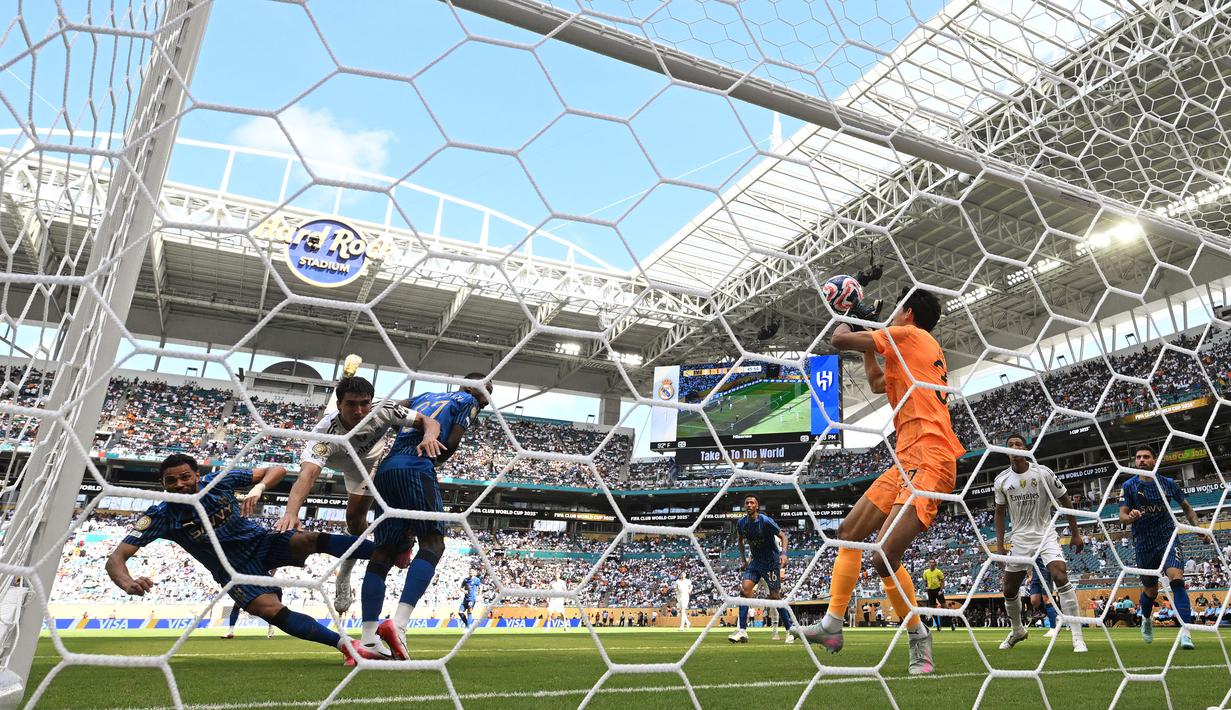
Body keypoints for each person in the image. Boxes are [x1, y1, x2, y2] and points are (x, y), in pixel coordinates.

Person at [795, 287, 964, 676]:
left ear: (906, 314)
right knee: (848, 530)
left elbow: (838, 340)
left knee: (883, 555)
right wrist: (868, 335)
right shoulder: (908, 350)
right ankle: (832, 626)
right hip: (906, 457)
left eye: (894, 313)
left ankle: (919, 636)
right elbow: (874, 382)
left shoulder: (912, 335)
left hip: (932, 458)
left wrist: (852, 314)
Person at [106, 454, 379, 664]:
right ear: (162, 484)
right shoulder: (159, 517)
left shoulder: (220, 481)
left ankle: (386, 553)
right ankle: (346, 646)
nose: (180, 485)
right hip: (233, 570)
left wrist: (259, 487)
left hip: (260, 542)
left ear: (197, 476)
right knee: (269, 610)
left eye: (185, 477)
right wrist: (128, 583)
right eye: (171, 481)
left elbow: (278, 470)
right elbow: (116, 559)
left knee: (307, 539)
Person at [275, 363, 443, 614]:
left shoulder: (383, 410)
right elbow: (307, 475)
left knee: (355, 519)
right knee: (355, 520)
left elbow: (427, 421)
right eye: (351, 404)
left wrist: (429, 436)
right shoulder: (324, 434)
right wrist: (291, 512)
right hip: (345, 462)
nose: (359, 410)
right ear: (340, 404)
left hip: (372, 463)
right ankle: (369, 559)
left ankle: (350, 569)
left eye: (364, 402)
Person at [358, 375, 491, 659]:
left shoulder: (424, 395)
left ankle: (368, 639)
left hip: (386, 470)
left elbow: (387, 410)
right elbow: (451, 442)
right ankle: (399, 624)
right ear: (469, 387)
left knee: (383, 552)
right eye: (485, 391)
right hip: (417, 465)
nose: (487, 397)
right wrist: (431, 460)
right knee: (433, 543)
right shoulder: (467, 401)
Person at [993, 434, 1086, 653]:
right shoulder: (1002, 480)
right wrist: (999, 546)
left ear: (1026, 449)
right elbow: (999, 512)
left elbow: (1065, 498)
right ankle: (1017, 630)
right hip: (1020, 539)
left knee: (1060, 576)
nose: (1014, 448)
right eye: (1010, 445)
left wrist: (1075, 533)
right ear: (1006, 451)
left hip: (1045, 533)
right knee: (1008, 589)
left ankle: (1077, 636)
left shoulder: (1043, 473)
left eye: (1018, 444)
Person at [1119, 444, 1208, 650]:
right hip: (1143, 543)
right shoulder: (1129, 486)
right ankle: (1147, 620)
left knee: (1176, 578)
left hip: (1168, 538)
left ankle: (1185, 631)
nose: (1141, 460)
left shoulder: (1167, 483)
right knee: (1150, 590)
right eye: (1138, 457)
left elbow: (1187, 508)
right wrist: (1130, 517)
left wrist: (1198, 529)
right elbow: (1122, 516)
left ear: (1155, 460)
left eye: (1146, 457)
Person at [728, 495, 793, 644]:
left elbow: (783, 536)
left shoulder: (765, 521)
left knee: (775, 598)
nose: (749, 505)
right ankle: (742, 631)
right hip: (755, 563)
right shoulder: (741, 523)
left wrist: (783, 553)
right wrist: (743, 559)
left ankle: (790, 630)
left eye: (752, 503)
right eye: (747, 503)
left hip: (771, 563)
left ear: (757, 506)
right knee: (744, 591)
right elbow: (740, 540)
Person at [922, 560, 949, 630]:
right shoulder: (925, 572)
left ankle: (951, 623)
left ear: (935, 564)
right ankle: (938, 626)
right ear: (929, 564)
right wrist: (926, 587)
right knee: (932, 609)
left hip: (938, 590)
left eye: (933, 562)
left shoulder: (938, 572)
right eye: (930, 562)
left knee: (944, 606)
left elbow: (942, 581)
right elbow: (926, 581)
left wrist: (941, 590)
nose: (931, 564)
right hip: (930, 591)